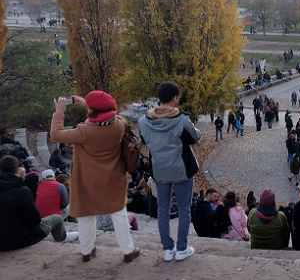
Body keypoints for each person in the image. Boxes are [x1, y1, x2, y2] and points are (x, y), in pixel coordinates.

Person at [50, 91, 139, 263]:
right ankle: (128, 250)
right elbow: (112, 116)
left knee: (85, 215)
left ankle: (86, 250)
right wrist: (87, 103)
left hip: (87, 180)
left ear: (93, 112)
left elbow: (56, 133)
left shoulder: (83, 131)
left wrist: (59, 111)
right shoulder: (119, 125)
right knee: (119, 214)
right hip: (112, 178)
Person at [139, 82, 201, 262]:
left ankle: (167, 249)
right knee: (183, 210)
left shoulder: (144, 121)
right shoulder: (181, 120)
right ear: (175, 99)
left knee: (163, 210)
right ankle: (181, 248)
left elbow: (145, 140)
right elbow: (195, 137)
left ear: (159, 98)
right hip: (181, 170)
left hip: (159, 170)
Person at [0, 155, 79, 251]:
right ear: (17, 170)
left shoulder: (37, 187)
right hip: (21, 240)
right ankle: (62, 237)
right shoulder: (22, 190)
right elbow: (34, 220)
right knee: (57, 218)